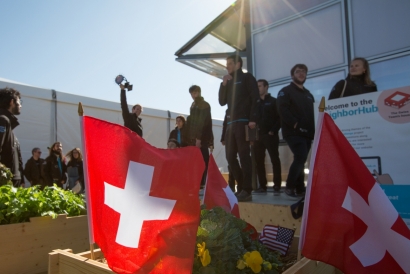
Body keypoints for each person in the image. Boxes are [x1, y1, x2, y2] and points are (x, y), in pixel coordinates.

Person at [218, 54, 259, 201]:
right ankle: (241, 186)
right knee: (230, 157)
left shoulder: (248, 78)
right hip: (230, 125)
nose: (227, 66)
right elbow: (222, 102)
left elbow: (255, 98)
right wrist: (223, 85)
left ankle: (247, 189)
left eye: (230, 63)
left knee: (244, 156)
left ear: (238, 64)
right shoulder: (227, 82)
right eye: (227, 63)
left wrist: (253, 119)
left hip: (243, 122)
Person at [277, 64, 315, 198]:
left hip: (308, 133)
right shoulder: (285, 91)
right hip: (293, 132)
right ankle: (289, 186)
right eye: (298, 72)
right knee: (300, 157)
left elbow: (312, 114)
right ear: (292, 75)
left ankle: (300, 189)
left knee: (301, 159)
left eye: (303, 72)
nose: (301, 74)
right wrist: (294, 124)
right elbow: (282, 110)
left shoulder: (308, 94)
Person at [253, 79, 282, 195]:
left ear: (266, 87)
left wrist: (273, 131)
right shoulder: (255, 103)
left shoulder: (274, 101)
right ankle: (262, 186)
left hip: (270, 136)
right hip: (258, 137)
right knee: (259, 162)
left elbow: (280, 118)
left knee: (275, 160)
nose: (258, 88)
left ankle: (277, 185)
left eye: (259, 86)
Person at [186, 85, 213, 188]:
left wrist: (199, 138)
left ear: (199, 92)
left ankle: (204, 182)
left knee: (203, 160)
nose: (193, 95)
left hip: (201, 139)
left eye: (195, 93)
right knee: (195, 161)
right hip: (193, 139)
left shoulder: (203, 104)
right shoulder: (193, 105)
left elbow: (201, 122)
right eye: (192, 94)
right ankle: (198, 182)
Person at [0, 87, 25, 187]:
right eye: (19, 101)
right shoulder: (2, 120)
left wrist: (21, 177)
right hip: (5, 182)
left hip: (13, 180)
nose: (20, 105)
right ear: (11, 102)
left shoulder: (7, 123)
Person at [221, 113, 242, 193]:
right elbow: (225, 124)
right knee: (230, 160)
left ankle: (242, 184)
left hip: (240, 135)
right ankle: (231, 185)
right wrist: (223, 137)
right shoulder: (227, 111)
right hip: (229, 137)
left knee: (242, 159)